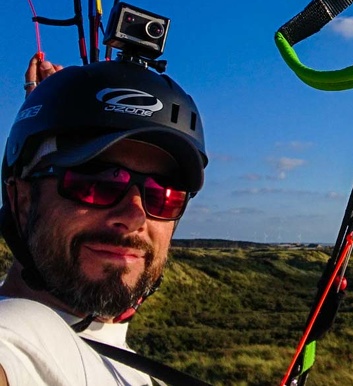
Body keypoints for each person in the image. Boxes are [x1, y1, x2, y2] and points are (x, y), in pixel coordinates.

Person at [0, 54, 208, 385]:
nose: (135, 216)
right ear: (22, 198)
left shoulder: (125, 362)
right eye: (96, 183)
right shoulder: (16, 333)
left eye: (163, 195)